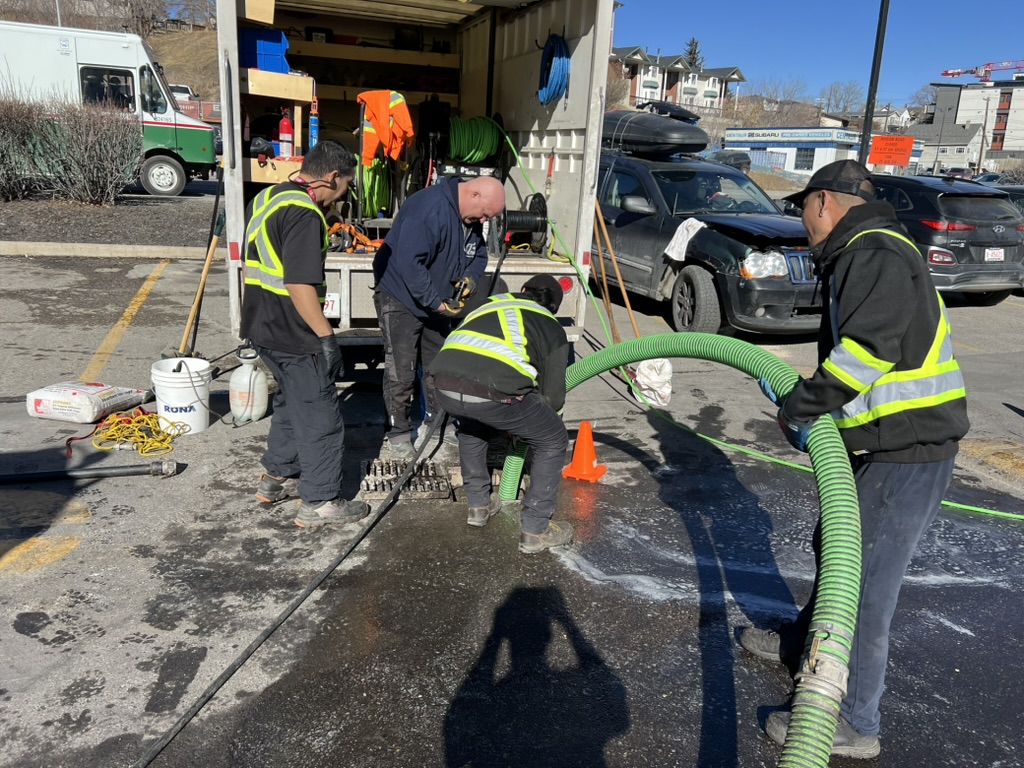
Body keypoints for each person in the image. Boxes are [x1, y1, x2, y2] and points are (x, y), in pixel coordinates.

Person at [739, 160, 970, 758]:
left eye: (803, 210)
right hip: (885, 439)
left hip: (908, 447)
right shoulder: (865, 251)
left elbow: (868, 352)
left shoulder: (874, 250)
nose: (803, 225)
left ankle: (852, 719)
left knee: (863, 584)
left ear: (824, 203)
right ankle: (803, 647)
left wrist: (802, 406)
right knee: (836, 546)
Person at [240, 140, 370, 529]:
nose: (342, 197)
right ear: (332, 177)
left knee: (290, 404)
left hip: (261, 326)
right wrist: (326, 337)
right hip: (294, 333)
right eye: (345, 186)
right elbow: (299, 284)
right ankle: (320, 502)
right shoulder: (303, 213)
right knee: (320, 416)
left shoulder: (267, 198)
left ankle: (276, 478)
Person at [428, 274, 572, 555]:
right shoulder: (550, 326)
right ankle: (536, 529)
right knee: (553, 439)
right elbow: (553, 397)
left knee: (472, 427)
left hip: (442, 385)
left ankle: (479, 506)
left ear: (522, 291)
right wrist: (532, 426)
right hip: (494, 392)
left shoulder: (489, 304)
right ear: (553, 307)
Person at [372, 175, 506, 459]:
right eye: (484, 214)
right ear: (474, 195)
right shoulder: (427, 209)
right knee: (402, 370)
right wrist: (437, 303)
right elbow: (409, 263)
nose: (483, 221)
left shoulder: (469, 220)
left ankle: (436, 425)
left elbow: (479, 256)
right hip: (400, 297)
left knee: (439, 368)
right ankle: (399, 434)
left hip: (436, 303)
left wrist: (470, 278)